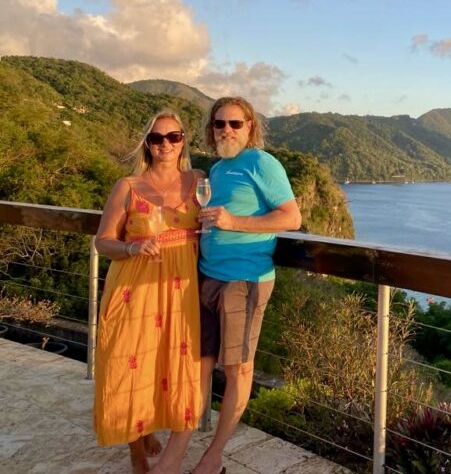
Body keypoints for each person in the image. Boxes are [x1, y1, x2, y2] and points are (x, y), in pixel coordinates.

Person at [191, 97, 301, 474]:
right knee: (199, 363)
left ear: (250, 126)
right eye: (220, 123)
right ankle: (185, 440)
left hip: (245, 279)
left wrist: (233, 223)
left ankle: (214, 457)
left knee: (238, 369)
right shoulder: (217, 169)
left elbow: (291, 217)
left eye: (235, 124)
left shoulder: (261, 162)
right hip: (207, 275)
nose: (226, 130)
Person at [94, 110, 204, 474]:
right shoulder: (127, 185)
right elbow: (103, 242)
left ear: (183, 140)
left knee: (166, 362)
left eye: (173, 136)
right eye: (157, 138)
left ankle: (149, 427)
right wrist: (131, 248)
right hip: (136, 287)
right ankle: (136, 451)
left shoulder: (199, 181)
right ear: (147, 143)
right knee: (131, 364)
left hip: (181, 291)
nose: (165, 144)